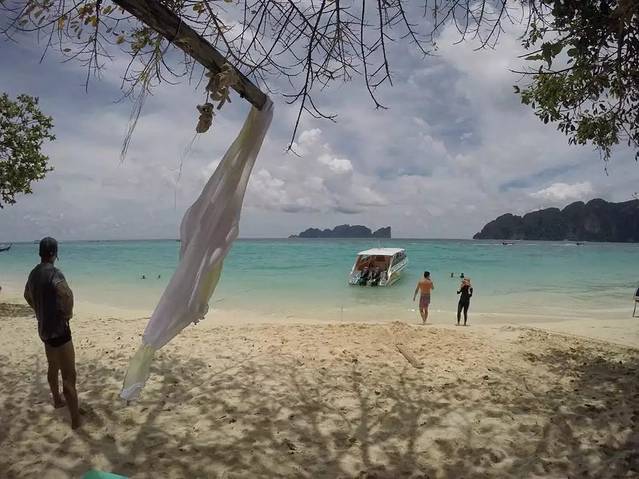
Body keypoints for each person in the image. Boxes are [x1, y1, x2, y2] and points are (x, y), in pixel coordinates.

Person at [24, 237, 80, 429]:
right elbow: (66, 294)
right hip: (60, 331)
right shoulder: (55, 273)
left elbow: (27, 295)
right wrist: (67, 314)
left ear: (40, 253)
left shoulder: (34, 273)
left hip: (44, 330)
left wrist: (38, 310)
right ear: (55, 253)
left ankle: (57, 400)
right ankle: (75, 420)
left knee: (52, 365)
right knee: (69, 376)